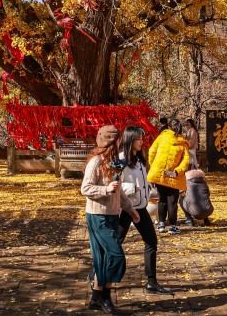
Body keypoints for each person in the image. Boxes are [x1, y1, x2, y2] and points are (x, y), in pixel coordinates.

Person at [82, 125, 138, 314]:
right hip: (98, 216)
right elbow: (86, 188)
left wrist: (130, 209)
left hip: (113, 215)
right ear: (110, 143)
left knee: (104, 259)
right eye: (117, 143)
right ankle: (105, 297)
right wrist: (105, 190)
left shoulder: (114, 163)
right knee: (115, 256)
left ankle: (96, 299)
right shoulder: (95, 162)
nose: (120, 146)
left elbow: (119, 191)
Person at [117, 126, 172, 295]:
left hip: (141, 208)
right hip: (125, 209)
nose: (142, 142)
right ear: (130, 140)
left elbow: (144, 180)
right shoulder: (120, 160)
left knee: (151, 241)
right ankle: (96, 274)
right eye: (138, 139)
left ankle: (151, 282)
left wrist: (148, 189)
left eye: (142, 138)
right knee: (114, 243)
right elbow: (115, 184)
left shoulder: (140, 160)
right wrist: (132, 188)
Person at [148, 119, 190, 235]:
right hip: (173, 176)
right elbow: (186, 160)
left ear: (169, 127)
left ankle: (161, 224)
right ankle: (172, 226)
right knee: (172, 202)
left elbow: (152, 151)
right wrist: (177, 171)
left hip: (160, 174)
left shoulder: (162, 137)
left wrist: (154, 166)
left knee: (161, 200)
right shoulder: (183, 142)